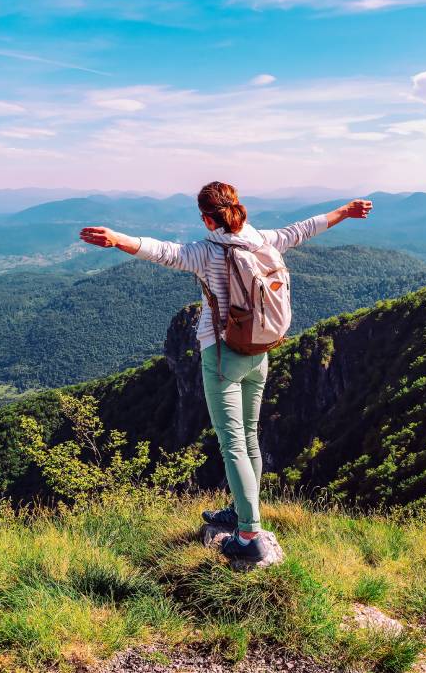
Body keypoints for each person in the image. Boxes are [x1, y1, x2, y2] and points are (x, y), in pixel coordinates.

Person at [79, 182, 373, 562]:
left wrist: (117, 239)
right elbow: (303, 229)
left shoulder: (206, 252)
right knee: (249, 438)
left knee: (232, 443)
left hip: (223, 354)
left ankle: (250, 536)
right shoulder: (263, 241)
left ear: (205, 217)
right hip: (260, 350)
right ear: (239, 208)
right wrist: (345, 211)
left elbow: (164, 252)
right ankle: (241, 511)